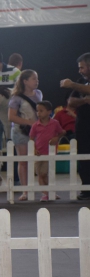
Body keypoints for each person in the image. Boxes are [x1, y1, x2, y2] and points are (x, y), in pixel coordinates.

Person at [8, 69, 42, 201]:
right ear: (25, 81)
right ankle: (25, 191)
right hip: (20, 131)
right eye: (34, 78)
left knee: (40, 160)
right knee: (23, 161)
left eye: (37, 78)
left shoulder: (39, 94)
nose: (37, 81)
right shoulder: (16, 98)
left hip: (37, 132)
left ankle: (43, 189)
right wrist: (30, 122)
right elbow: (11, 117)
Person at [60, 52, 90, 200]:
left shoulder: (76, 83)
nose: (80, 71)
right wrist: (85, 100)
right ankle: (86, 189)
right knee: (83, 157)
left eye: (82, 67)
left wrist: (72, 84)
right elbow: (71, 102)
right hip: (83, 125)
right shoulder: (80, 81)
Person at [29, 101, 66, 202]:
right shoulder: (35, 125)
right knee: (40, 174)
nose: (38, 113)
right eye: (37, 111)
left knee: (44, 173)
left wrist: (56, 138)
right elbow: (31, 138)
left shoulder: (55, 123)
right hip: (38, 153)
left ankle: (47, 192)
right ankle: (47, 192)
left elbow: (62, 132)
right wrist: (34, 149)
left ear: (49, 112)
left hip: (49, 153)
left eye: (41, 110)